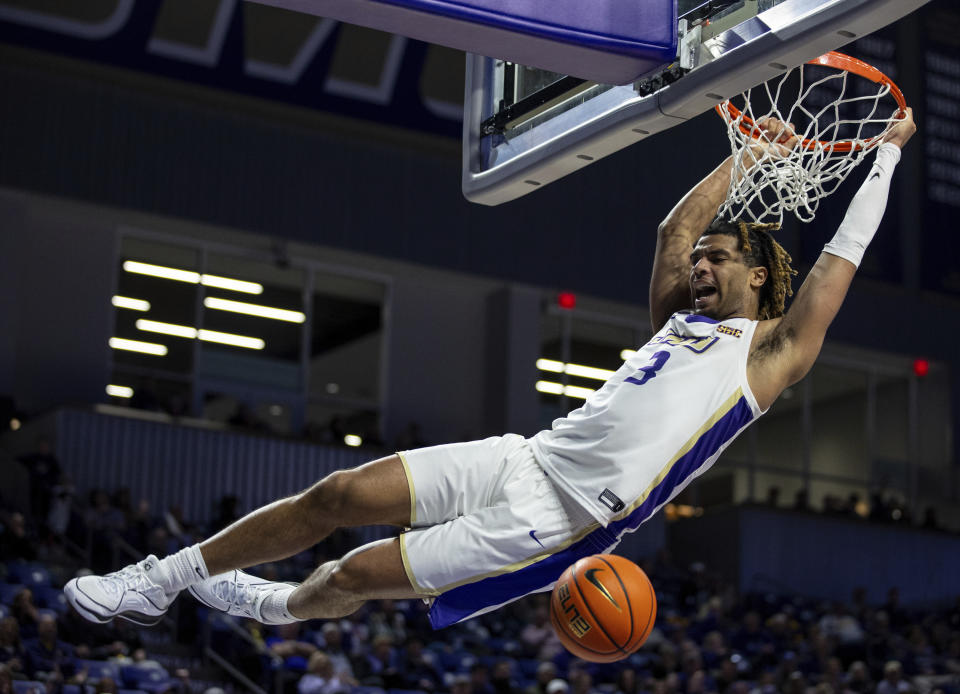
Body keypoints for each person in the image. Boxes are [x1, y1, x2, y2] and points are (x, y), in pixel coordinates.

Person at [65, 109, 917, 631]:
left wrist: (885, 157)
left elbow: (841, 259)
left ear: (760, 275)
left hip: (560, 524)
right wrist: (744, 155)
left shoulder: (768, 360)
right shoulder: (675, 324)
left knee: (353, 577)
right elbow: (668, 231)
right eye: (698, 259)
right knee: (338, 497)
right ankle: (158, 580)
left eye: (717, 258)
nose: (697, 265)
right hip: (527, 456)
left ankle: (272, 609)